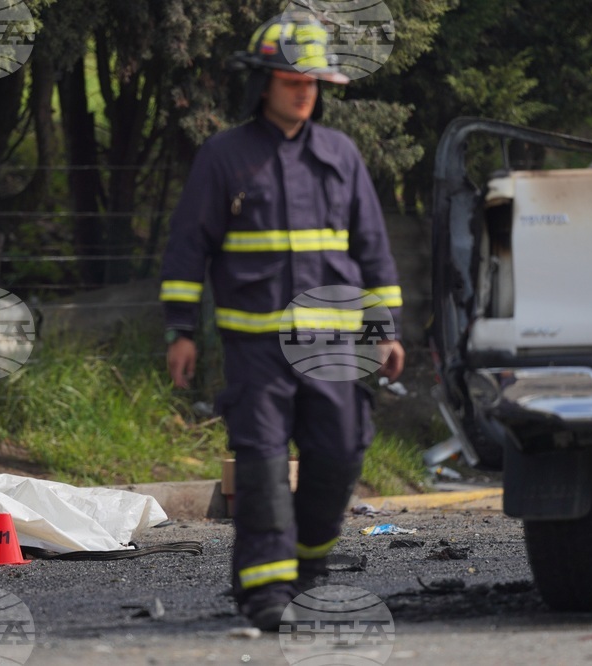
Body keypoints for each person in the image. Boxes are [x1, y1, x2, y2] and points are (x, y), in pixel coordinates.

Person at [158, 12, 405, 631]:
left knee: (341, 455)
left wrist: (388, 328)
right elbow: (190, 246)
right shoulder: (225, 157)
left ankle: (309, 571)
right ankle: (265, 597)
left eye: (313, 82)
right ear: (264, 82)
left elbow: (372, 247)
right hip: (257, 351)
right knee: (263, 469)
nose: (304, 91)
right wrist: (180, 330)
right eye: (293, 80)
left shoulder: (340, 155)